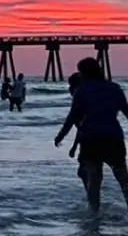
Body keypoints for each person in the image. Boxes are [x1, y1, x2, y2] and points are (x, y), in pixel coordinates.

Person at [53, 58, 128, 211]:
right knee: (123, 178)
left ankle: (94, 214)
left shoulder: (82, 92)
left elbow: (72, 117)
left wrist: (60, 136)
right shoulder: (115, 89)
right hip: (113, 138)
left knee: (94, 178)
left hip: (91, 140)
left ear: (84, 73)